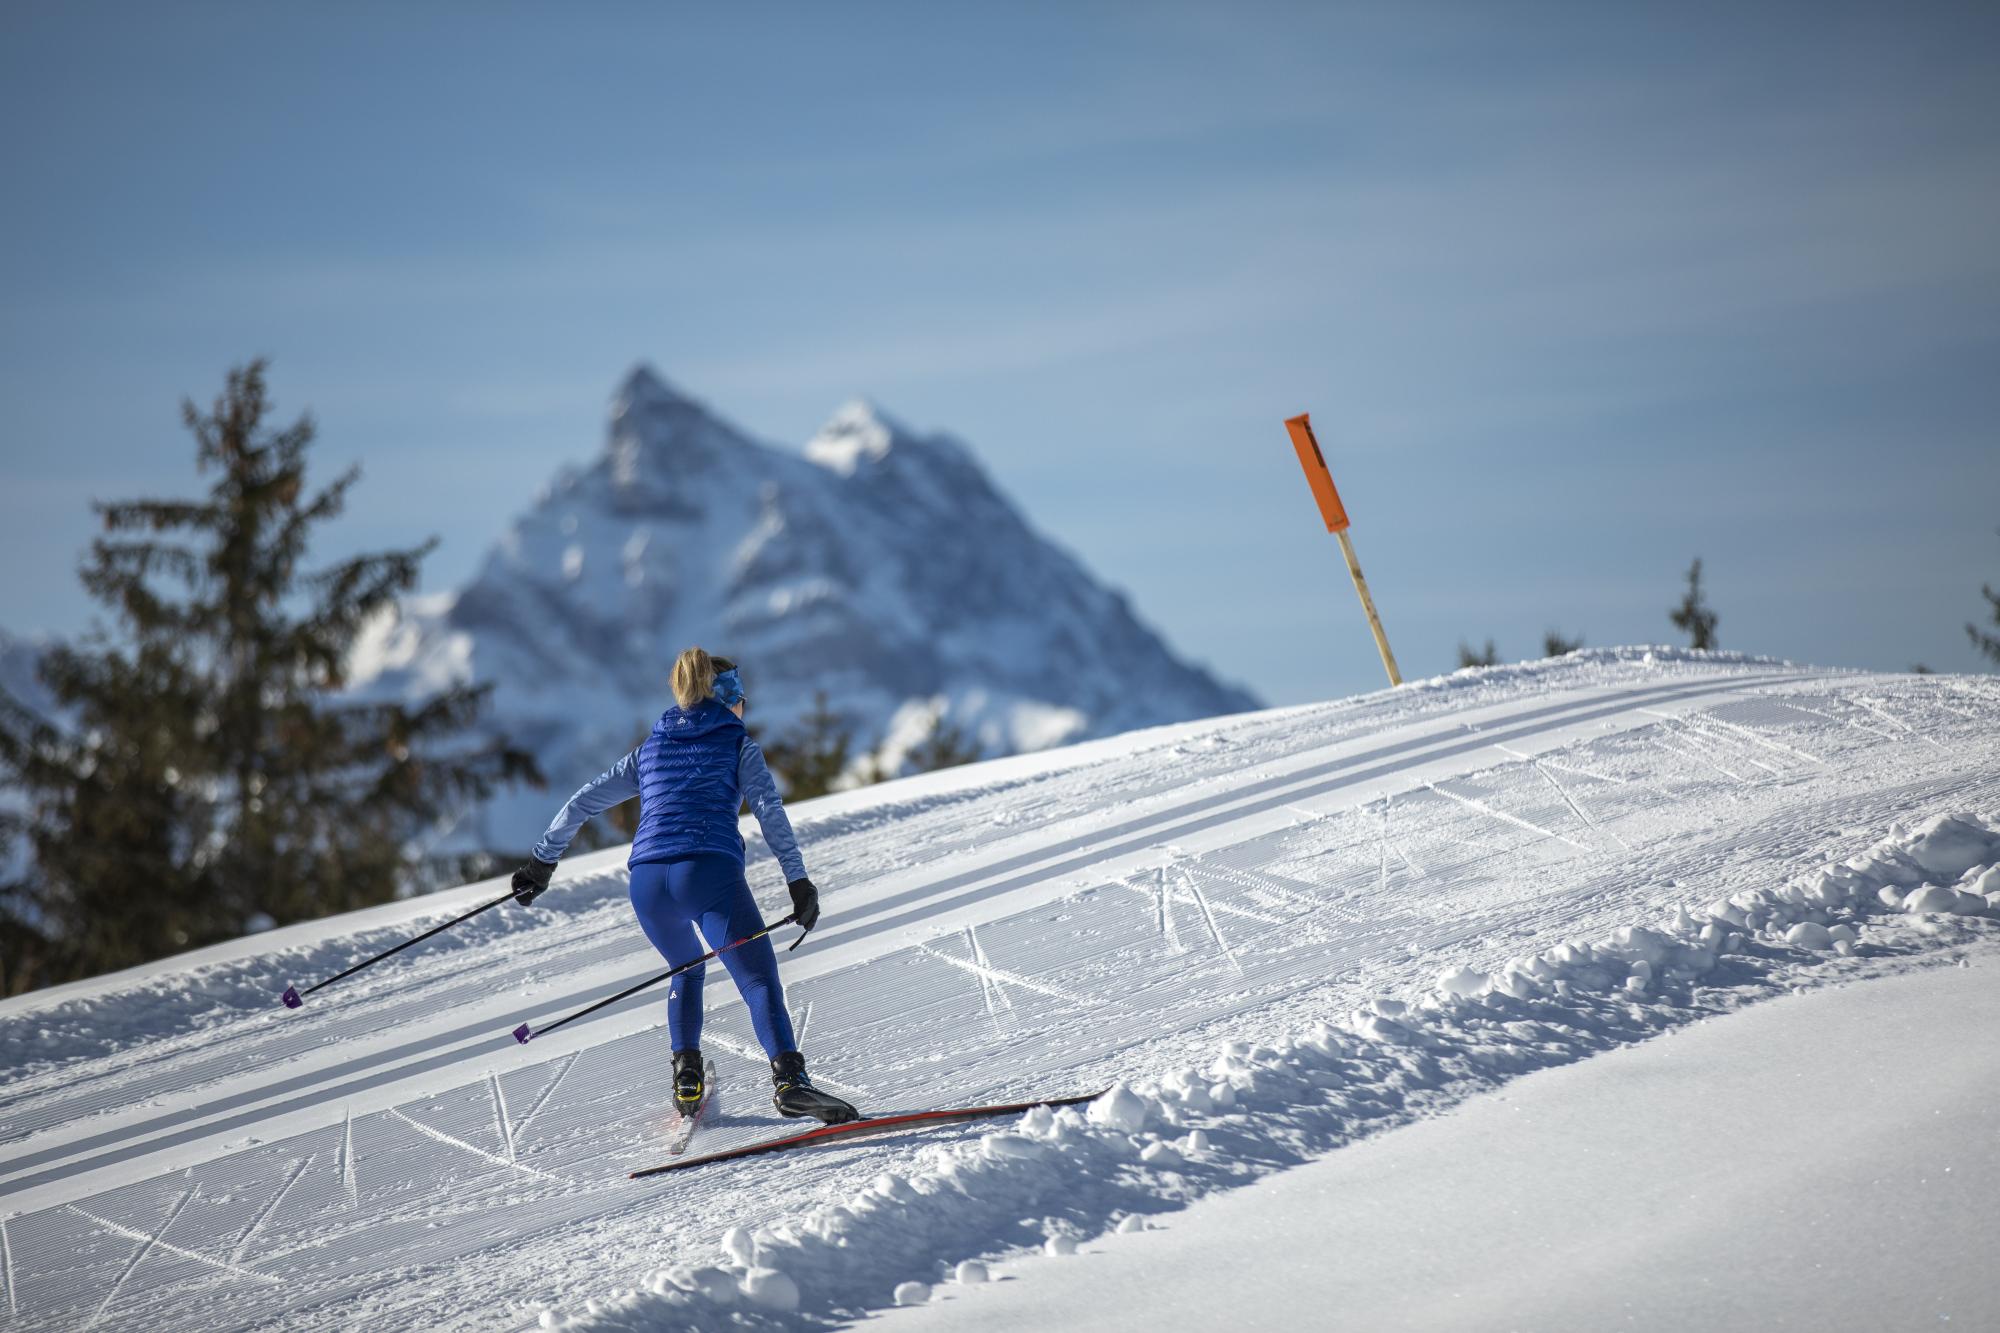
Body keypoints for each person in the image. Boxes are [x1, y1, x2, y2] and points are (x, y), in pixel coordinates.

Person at [509, 648, 860, 1125]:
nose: (744, 702)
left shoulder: (650, 749)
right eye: (739, 692)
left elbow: (582, 802)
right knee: (756, 977)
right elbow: (769, 811)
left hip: (648, 883)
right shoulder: (738, 746)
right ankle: (790, 1083)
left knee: (687, 967)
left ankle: (687, 1076)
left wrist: (540, 864)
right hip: (707, 874)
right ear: (726, 697)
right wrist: (797, 881)